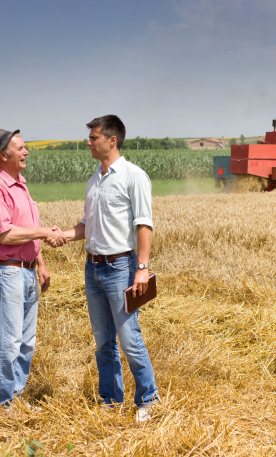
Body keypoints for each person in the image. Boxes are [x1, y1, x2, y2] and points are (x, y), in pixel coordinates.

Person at [57, 115, 158, 422]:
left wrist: (142, 269)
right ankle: (111, 399)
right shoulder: (93, 180)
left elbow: (144, 223)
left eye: (94, 138)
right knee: (103, 340)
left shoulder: (133, 176)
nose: (89, 143)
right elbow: (87, 225)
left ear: (111, 140)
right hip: (93, 269)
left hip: (121, 268)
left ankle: (149, 399)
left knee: (129, 338)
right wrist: (64, 235)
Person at [0, 128, 65, 409]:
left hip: (26, 270)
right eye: (20, 148)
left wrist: (40, 262)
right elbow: (5, 235)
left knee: (26, 342)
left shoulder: (21, 183)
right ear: (4, 154)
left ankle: (16, 395)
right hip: (10, 271)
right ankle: (5, 403)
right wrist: (42, 231)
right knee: (10, 342)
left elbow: (27, 230)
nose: (26, 152)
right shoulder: (0, 186)